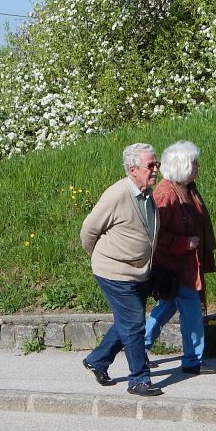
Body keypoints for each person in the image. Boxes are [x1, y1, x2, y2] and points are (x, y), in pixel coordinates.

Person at [80, 143, 164, 397]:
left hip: (139, 271)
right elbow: (88, 231)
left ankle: (97, 360)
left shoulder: (147, 194)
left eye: (156, 164)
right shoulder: (116, 195)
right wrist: (102, 257)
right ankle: (138, 379)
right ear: (132, 169)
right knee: (134, 323)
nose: (155, 169)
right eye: (150, 165)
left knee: (126, 321)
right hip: (114, 271)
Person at [145, 140, 216, 375]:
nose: (198, 166)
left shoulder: (188, 188)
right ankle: (192, 360)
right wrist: (184, 243)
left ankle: (139, 346)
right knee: (192, 310)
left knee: (167, 306)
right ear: (181, 165)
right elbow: (154, 233)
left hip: (187, 264)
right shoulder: (165, 194)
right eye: (194, 162)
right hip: (175, 265)